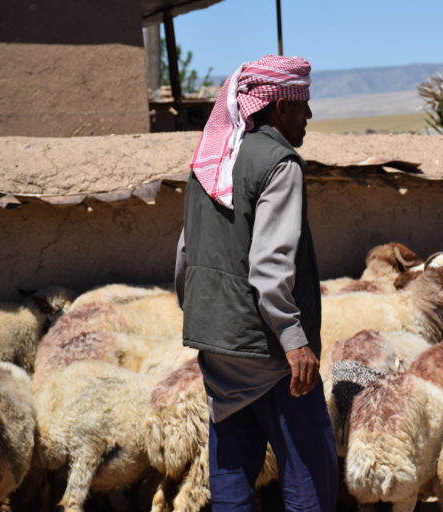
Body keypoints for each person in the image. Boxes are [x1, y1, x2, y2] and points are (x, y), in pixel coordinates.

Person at [176, 55, 337, 512]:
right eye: (302, 105)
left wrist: (207, 321)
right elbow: (270, 268)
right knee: (309, 472)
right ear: (278, 107)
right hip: (266, 352)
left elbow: (186, 255)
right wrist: (294, 340)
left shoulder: (208, 164)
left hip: (216, 346)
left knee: (230, 469)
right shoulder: (280, 164)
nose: (308, 116)